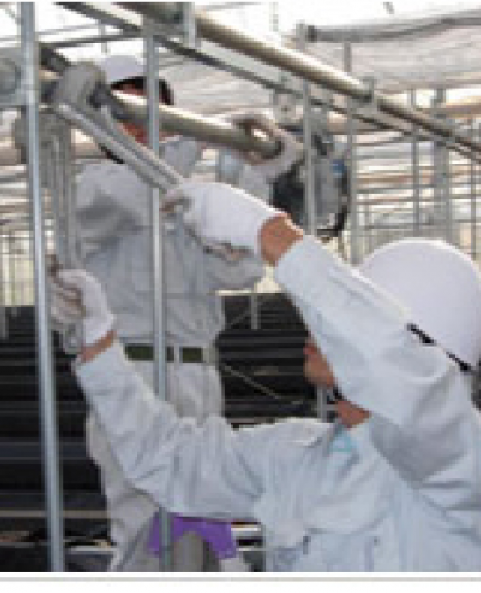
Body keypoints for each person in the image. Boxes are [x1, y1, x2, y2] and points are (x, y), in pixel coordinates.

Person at [51, 167, 481, 571]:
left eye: (340, 324)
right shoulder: (298, 455)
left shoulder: (461, 469)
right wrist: (100, 348)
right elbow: (169, 459)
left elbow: (402, 379)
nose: (318, 328)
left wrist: (269, 233)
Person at [72, 54, 301, 571]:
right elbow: (135, 195)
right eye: (126, 113)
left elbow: (239, 269)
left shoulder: (182, 199)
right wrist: (200, 138)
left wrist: (253, 175)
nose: (140, 127)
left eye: (149, 112)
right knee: (142, 521)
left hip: (197, 371)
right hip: (131, 374)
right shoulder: (93, 188)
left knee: (204, 511)